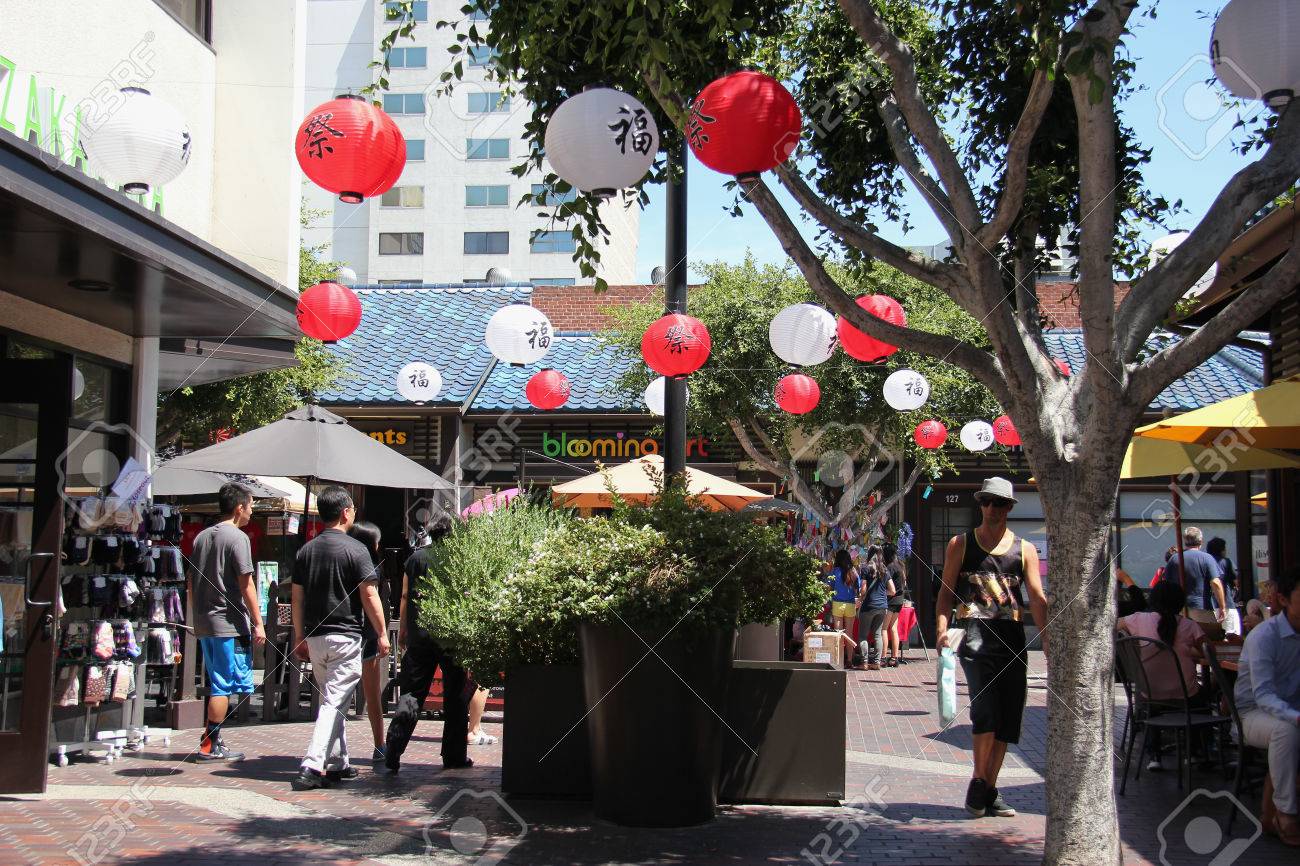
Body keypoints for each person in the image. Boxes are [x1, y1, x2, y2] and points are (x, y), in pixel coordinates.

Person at [936, 477, 1048, 819]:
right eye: (986, 501)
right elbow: (945, 593)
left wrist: (1048, 638)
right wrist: (941, 630)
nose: (992, 508)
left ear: (1009, 507)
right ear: (980, 504)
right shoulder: (961, 544)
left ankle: (988, 789)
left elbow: (1037, 597)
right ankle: (978, 781)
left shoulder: (1025, 550)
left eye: (999, 503)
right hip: (974, 636)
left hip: (1012, 638)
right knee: (985, 710)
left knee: (1008, 718)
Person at [290, 486, 389, 791]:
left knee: (332, 698)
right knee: (334, 701)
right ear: (346, 512)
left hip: (315, 638)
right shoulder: (356, 550)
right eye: (353, 509)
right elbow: (369, 594)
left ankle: (337, 763)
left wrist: (299, 635)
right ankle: (311, 765)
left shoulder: (306, 550)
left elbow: (297, 598)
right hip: (346, 636)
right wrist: (382, 632)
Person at [384, 515, 473, 772]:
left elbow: (404, 596)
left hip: (419, 635)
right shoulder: (459, 558)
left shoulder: (415, 559)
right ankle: (454, 755)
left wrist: (403, 629)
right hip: (451, 635)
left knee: (412, 692)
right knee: (455, 695)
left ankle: (394, 748)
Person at [187, 482, 265, 761]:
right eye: (251, 506)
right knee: (222, 684)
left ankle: (212, 741)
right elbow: (247, 583)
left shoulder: (202, 537)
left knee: (216, 680)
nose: (252, 511)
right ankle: (209, 745)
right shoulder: (237, 538)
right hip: (227, 623)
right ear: (239, 507)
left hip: (205, 621)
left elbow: (190, 582)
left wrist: (196, 614)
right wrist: (258, 622)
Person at [1233, 567, 1300, 846]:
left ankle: (1270, 809)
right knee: (1286, 731)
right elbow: (1263, 696)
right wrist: (1297, 717)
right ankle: (1286, 813)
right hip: (1252, 715)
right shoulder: (1265, 637)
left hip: (1290, 712)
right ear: (1284, 600)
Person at [1116, 581, 1208, 771]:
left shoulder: (1137, 619)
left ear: (1153, 599)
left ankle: (1154, 755)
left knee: (1152, 698)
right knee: (1207, 697)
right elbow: (1209, 651)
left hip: (1149, 694)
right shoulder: (1189, 625)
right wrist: (1187, 650)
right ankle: (1194, 751)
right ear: (1180, 602)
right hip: (1186, 696)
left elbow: (1113, 625)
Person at [346, 520, 390, 765]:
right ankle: (379, 744)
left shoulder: (343, 563)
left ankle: (335, 747)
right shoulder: (372, 567)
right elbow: (373, 598)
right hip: (368, 632)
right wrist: (382, 632)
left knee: (339, 694)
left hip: (347, 630)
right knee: (372, 693)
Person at [1161, 527, 1230, 632]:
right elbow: (1216, 583)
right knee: (1209, 635)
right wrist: (1222, 607)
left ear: (1185, 541)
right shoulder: (1207, 558)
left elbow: (1165, 583)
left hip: (1178, 608)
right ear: (1201, 541)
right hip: (1201, 607)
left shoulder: (1174, 559)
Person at [856, 546, 893, 671]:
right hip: (882, 606)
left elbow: (863, 589)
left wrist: (860, 598)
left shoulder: (865, 568)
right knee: (878, 635)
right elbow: (893, 590)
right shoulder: (885, 569)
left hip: (868, 606)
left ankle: (864, 662)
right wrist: (882, 594)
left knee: (863, 635)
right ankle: (877, 662)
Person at [1206, 537, 1243, 635]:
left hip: (1209, 606)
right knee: (1232, 634)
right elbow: (1236, 582)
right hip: (1227, 604)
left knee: (1214, 637)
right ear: (1222, 550)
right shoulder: (1226, 562)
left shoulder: (1205, 562)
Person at [883, 542, 910, 665]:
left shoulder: (889, 567)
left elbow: (887, 585)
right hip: (900, 600)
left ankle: (883, 657)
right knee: (893, 628)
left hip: (891, 600)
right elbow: (904, 583)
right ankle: (895, 657)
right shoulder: (901, 565)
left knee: (884, 629)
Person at [827, 549, 860, 635]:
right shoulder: (853, 571)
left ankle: (840, 645)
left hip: (837, 604)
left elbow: (828, 587)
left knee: (838, 634)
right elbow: (858, 588)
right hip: (851, 604)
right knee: (849, 634)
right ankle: (849, 645)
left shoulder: (835, 571)